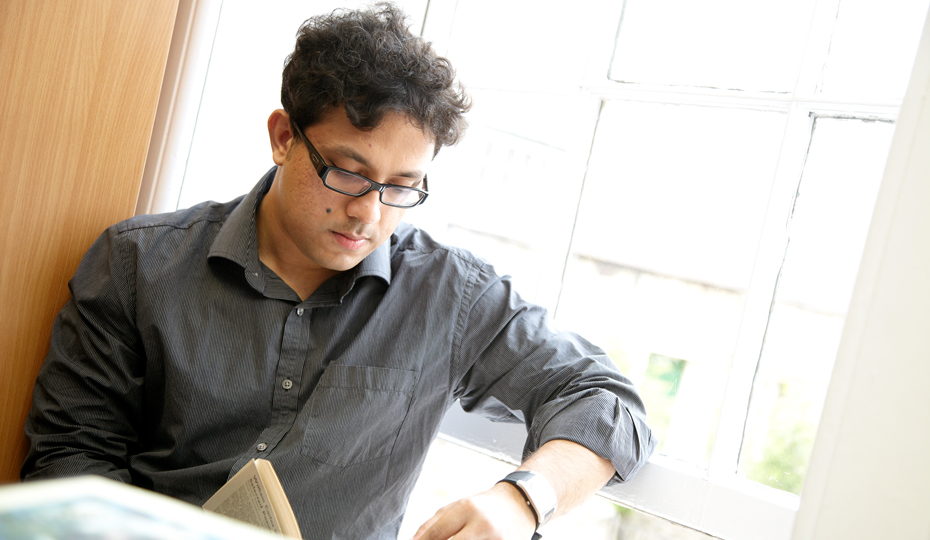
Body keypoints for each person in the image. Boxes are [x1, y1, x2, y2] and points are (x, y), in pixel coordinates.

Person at [21, 3, 655, 539]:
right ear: (282, 136)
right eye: (348, 172)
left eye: (403, 186)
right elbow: (69, 464)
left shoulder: (450, 293)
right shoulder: (139, 263)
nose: (369, 214)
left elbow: (607, 403)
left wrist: (522, 500)